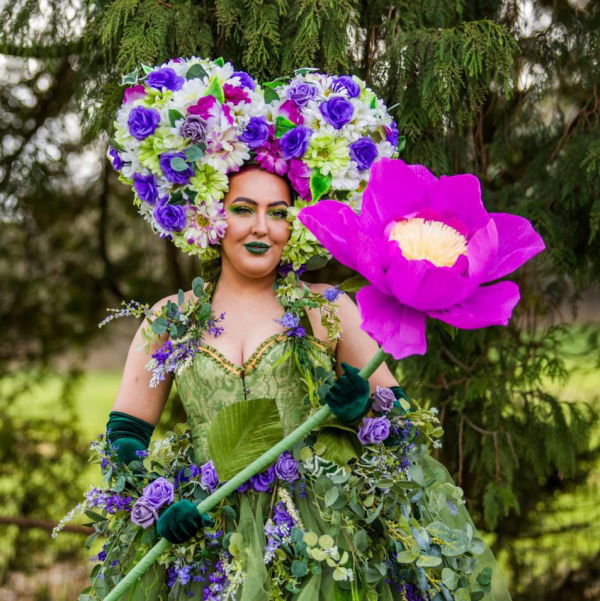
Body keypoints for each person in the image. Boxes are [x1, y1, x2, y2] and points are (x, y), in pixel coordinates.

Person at [74, 57, 511, 601]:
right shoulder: (168, 319)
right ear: (211, 215)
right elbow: (125, 439)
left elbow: (400, 424)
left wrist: (359, 411)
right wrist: (160, 505)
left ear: (295, 223)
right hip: (205, 545)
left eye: (278, 212)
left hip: (325, 540)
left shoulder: (326, 309)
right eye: (243, 209)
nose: (261, 227)